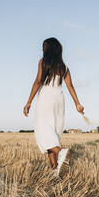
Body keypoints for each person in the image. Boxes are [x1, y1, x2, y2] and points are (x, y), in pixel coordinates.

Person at [23, 37, 84, 177]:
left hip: (46, 98)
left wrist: (29, 102)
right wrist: (77, 103)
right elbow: (70, 86)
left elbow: (38, 82)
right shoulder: (64, 67)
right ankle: (54, 170)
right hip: (59, 99)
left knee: (43, 131)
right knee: (53, 133)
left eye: (43, 47)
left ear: (47, 49)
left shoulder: (43, 62)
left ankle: (61, 152)